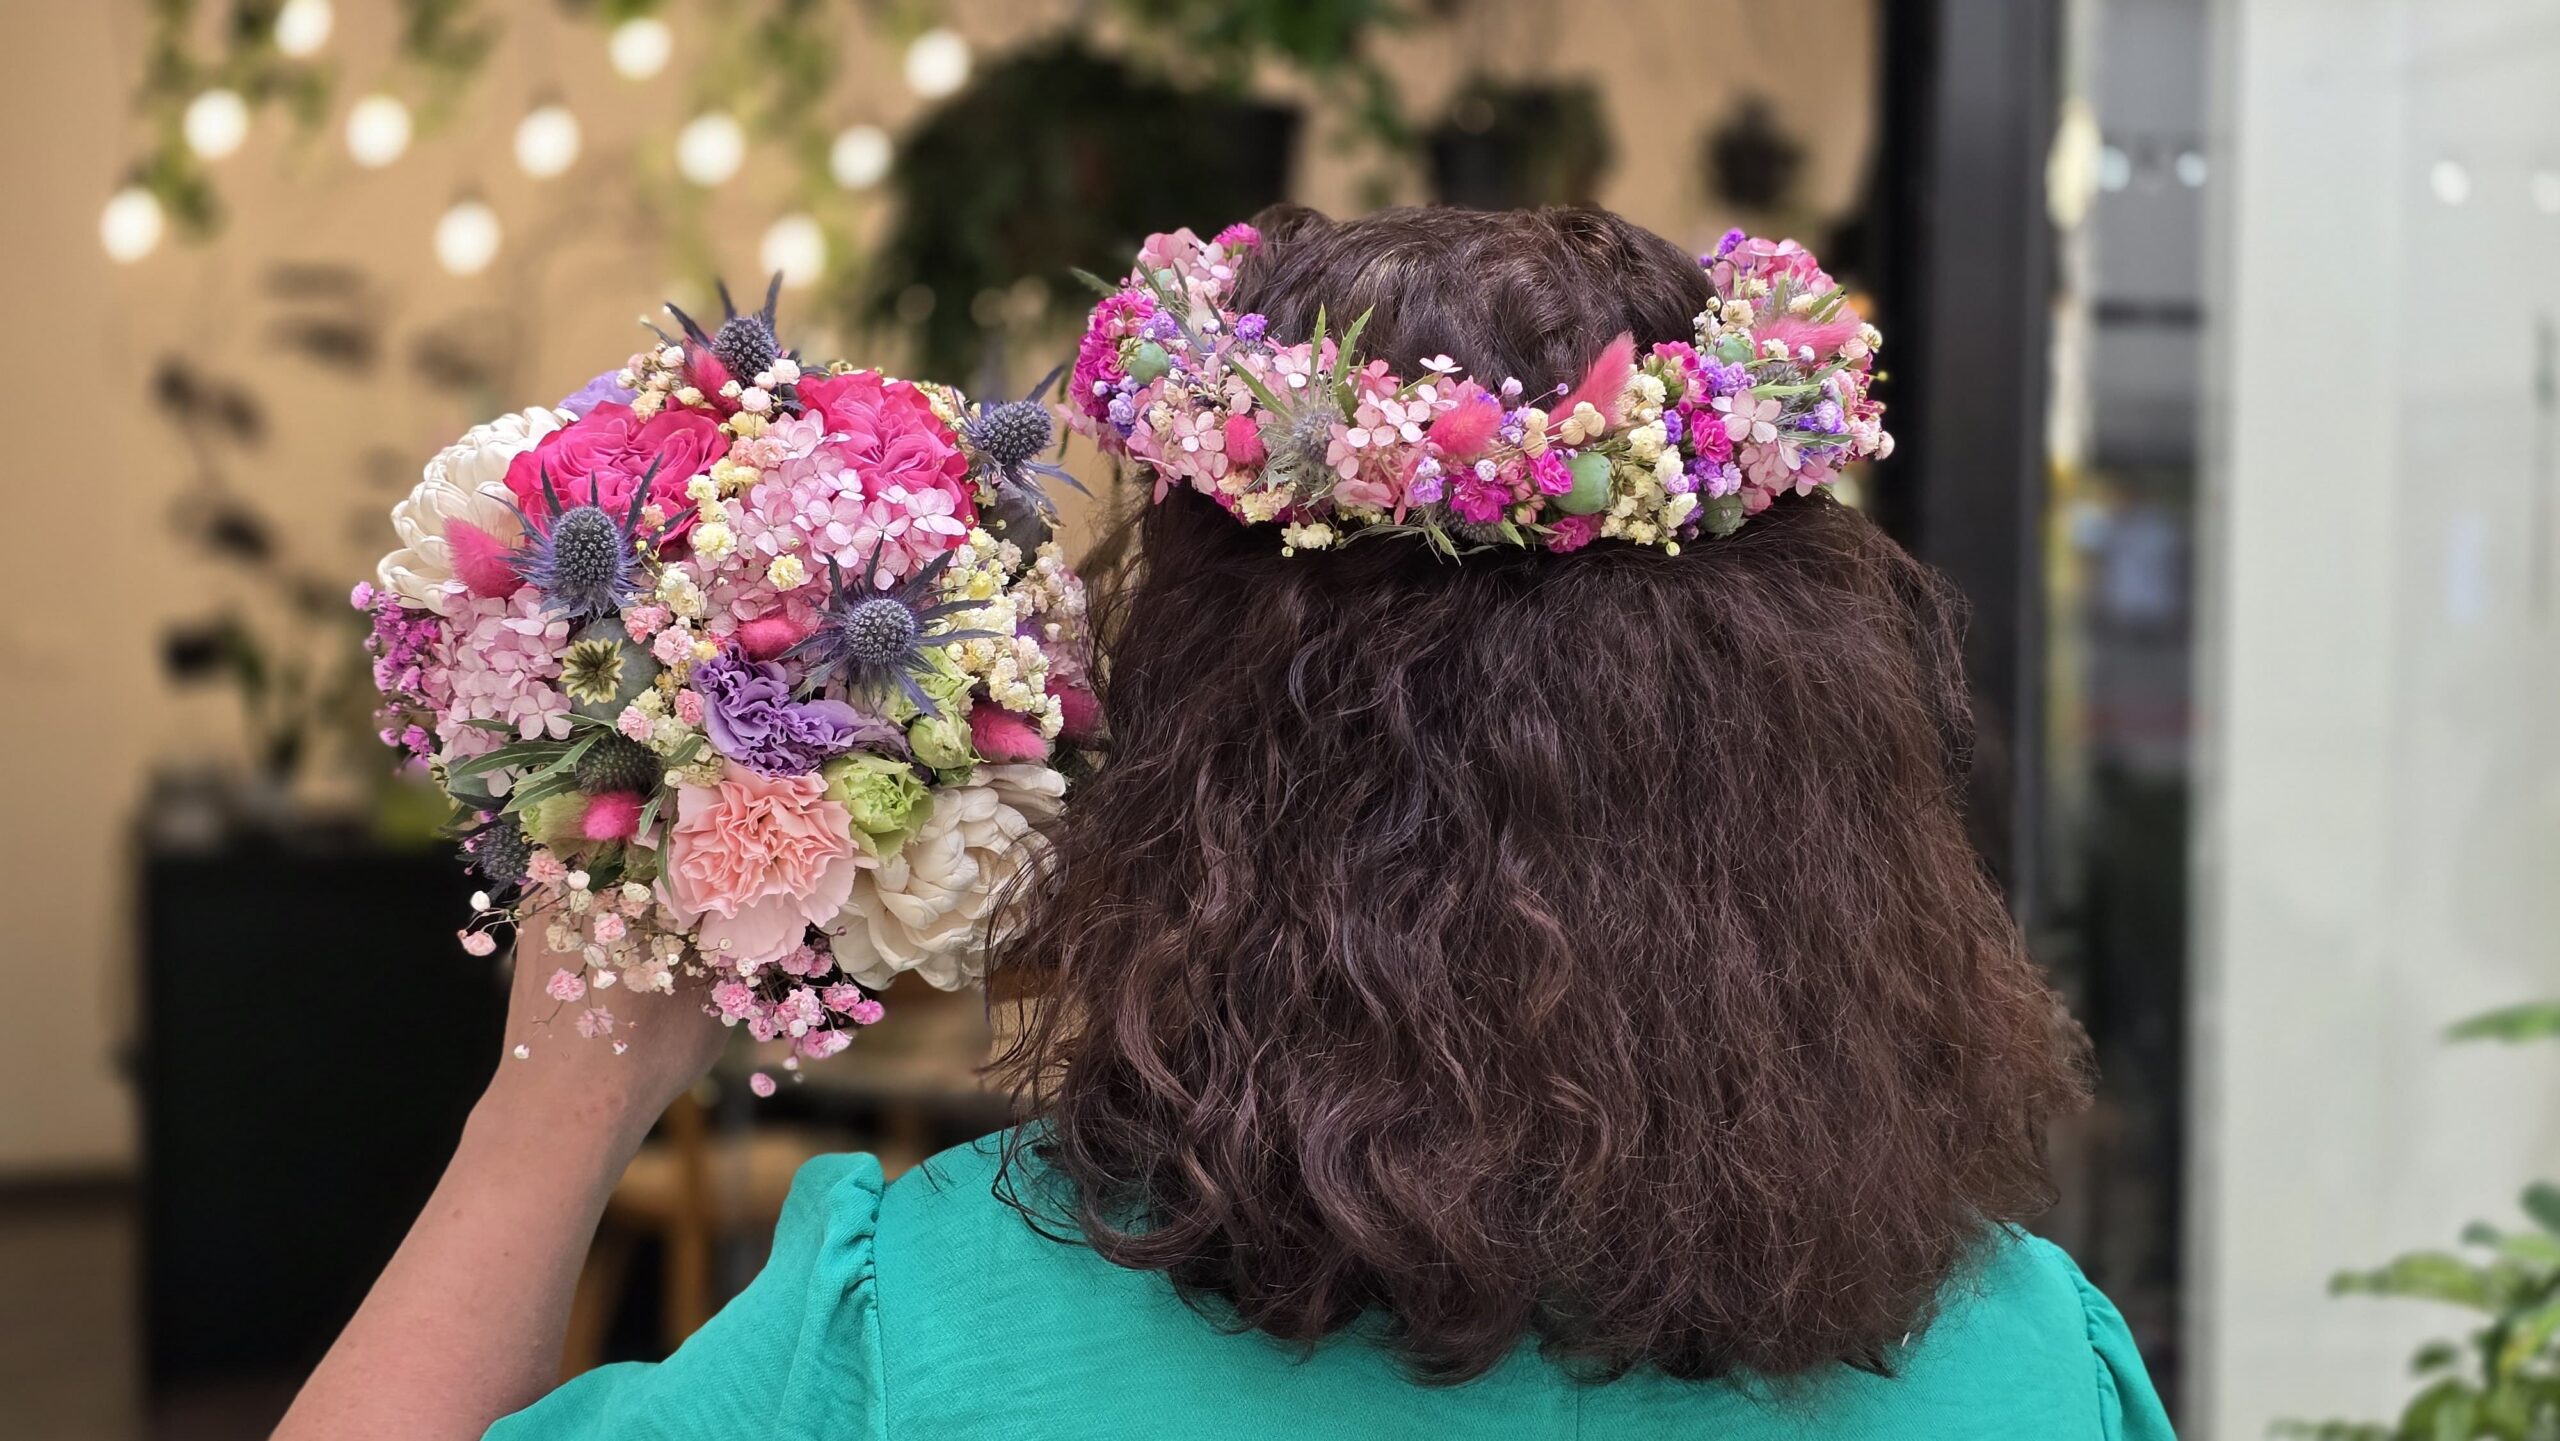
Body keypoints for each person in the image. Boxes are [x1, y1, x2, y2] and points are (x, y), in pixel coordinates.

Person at [278, 205, 2173, 1440]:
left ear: (1188, 740)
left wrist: (562, 1093)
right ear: (1824, 767)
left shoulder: (909, 1338)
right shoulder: (2029, 1370)